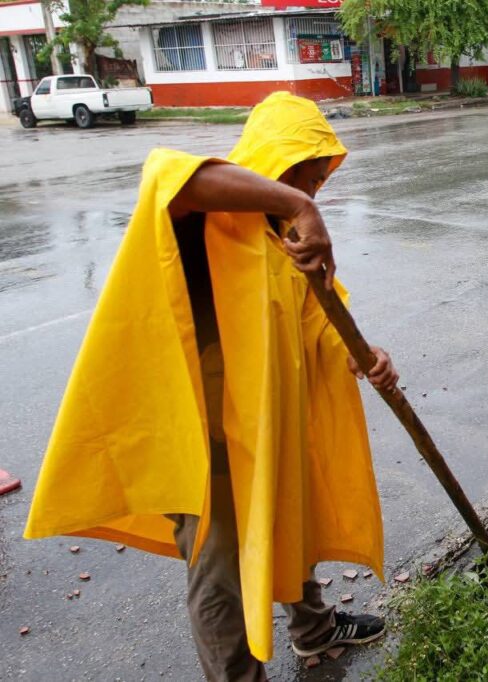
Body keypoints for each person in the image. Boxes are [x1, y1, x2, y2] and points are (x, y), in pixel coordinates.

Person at [25, 92, 397, 680]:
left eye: (319, 181)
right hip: (205, 438)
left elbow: (316, 320)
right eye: (308, 177)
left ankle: (314, 630)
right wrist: (299, 202)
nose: (316, 191)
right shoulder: (206, 217)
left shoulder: (281, 237)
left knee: (289, 520)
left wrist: (362, 354)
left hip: (265, 425)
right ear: (275, 162)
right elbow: (165, 174)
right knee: (220, 568)